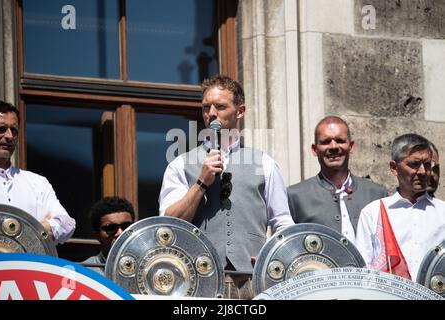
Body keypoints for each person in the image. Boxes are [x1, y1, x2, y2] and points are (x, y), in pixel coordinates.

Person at [159, 75, 294, 299]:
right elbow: (168, 226)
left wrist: (273, 258)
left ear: (240, 111)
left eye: (220, 107)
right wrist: (201, 183)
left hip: (252, 281)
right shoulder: (180, 164)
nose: (211, 113)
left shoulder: (265, 163)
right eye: (206, 107)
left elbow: (282, 223)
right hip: (198, 280)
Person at [355, 133, 445, 281]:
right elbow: (362, 270)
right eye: (414, 164)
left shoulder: (442, 213)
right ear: (394, 167)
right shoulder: (373, 213)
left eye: (427, 164)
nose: (423, 171)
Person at [287, 116, 388, 244]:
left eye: (340, 140)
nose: (334, 146)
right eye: (326, 141)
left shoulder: (376, 194)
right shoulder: (295, 196)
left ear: (351, 146)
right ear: (314, 149)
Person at [0, 100, 75, 245]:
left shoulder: (37, 183)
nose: (8, 136)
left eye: (14, 130)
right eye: (1, 129)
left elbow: (66, 224)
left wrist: (34, 232)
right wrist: (38, 229)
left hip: (29, 266)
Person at [81, 196, 135, 275]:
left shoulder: (148, 265)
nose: (120, 233)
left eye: (126, 226)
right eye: (111, 228)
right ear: (97, 235)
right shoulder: (85, 272)